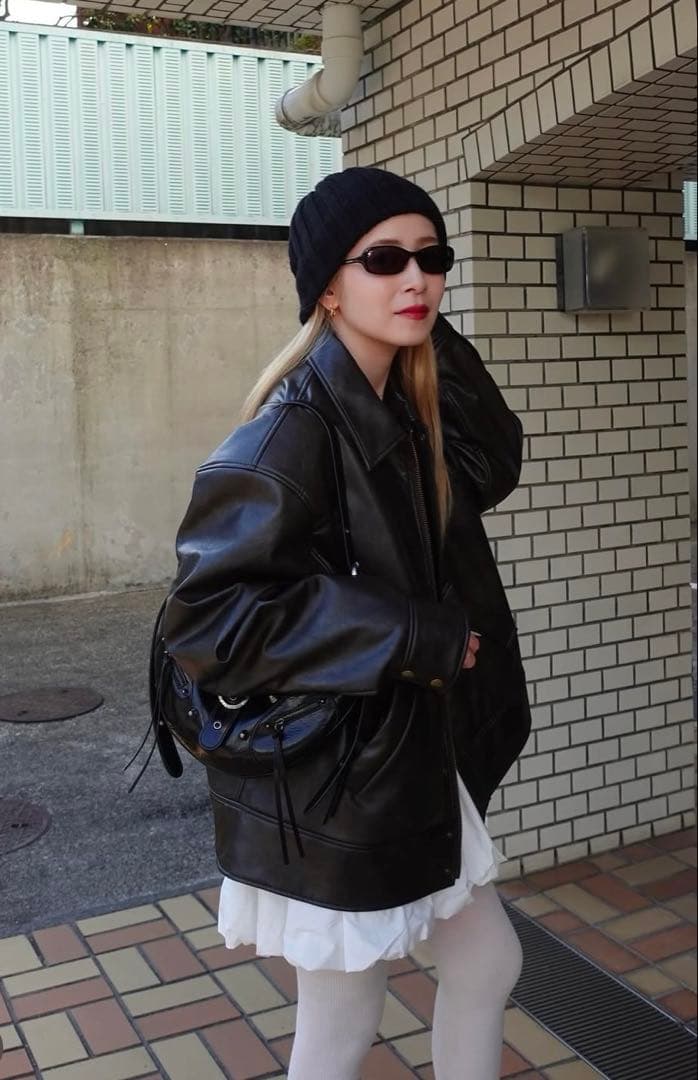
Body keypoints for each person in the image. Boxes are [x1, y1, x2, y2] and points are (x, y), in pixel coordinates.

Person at [163, 167, 532, 1079]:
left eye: (432, 259)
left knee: (483, 964)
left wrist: (421, 326)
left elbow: (492, 461)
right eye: (384, 260)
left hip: (398, 759)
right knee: (343, 1016)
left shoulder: (401, 411)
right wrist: (409, 633)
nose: (417, 278)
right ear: (328, 285)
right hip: (339, 778)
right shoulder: (290, 432)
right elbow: (209, 620)